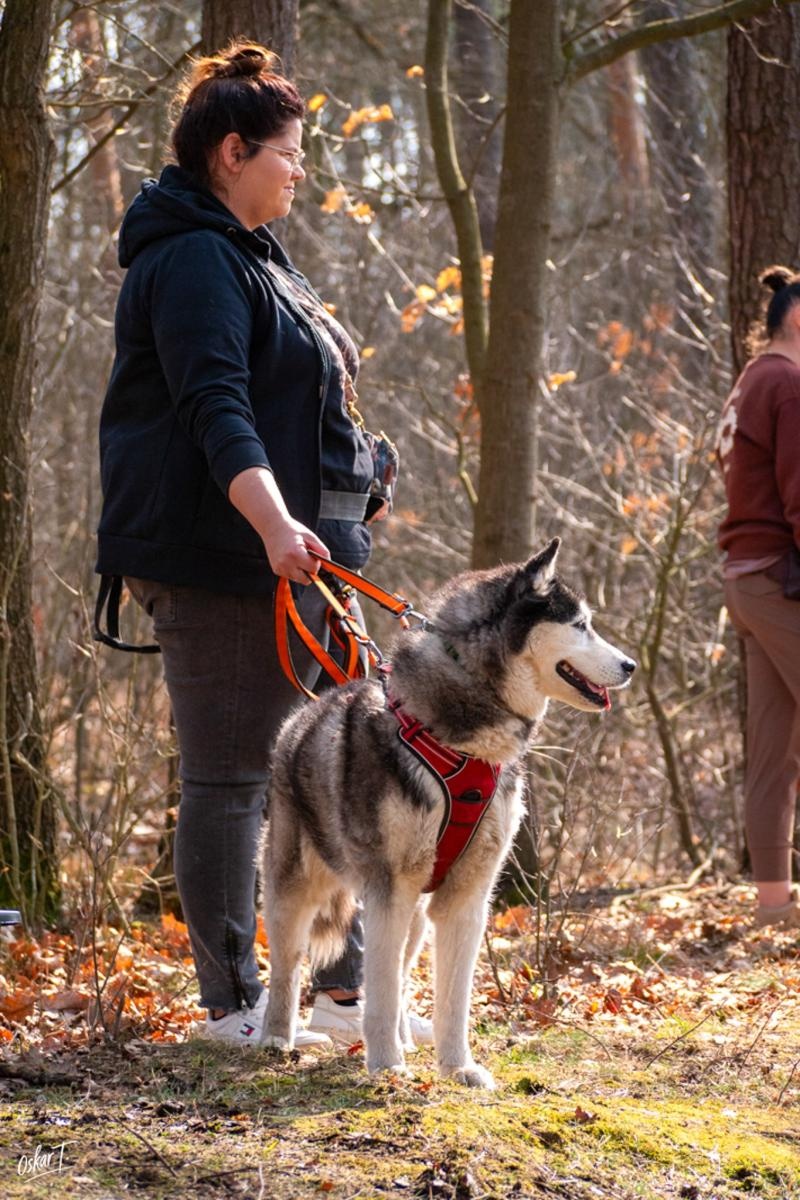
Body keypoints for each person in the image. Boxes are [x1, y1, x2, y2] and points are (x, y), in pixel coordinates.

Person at [96, 40, 433, 1046]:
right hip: (226, 561)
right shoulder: (192, 258)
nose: (301, 169)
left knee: (349, 772)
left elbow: (301, 397)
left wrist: (360, 481)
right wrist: (277, 522)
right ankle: (236, 1006)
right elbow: (217, 408)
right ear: (232, 152)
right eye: (288, 152)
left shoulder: (258, 257)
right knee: (234, 778)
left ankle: (341, 995)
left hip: (307, 564)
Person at [717, 265, 800, 930]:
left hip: (746, 580)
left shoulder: (752, 379)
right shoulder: (788, 383)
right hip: (776, 577)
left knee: (773, 751)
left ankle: (774, 906)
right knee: (775, 753)